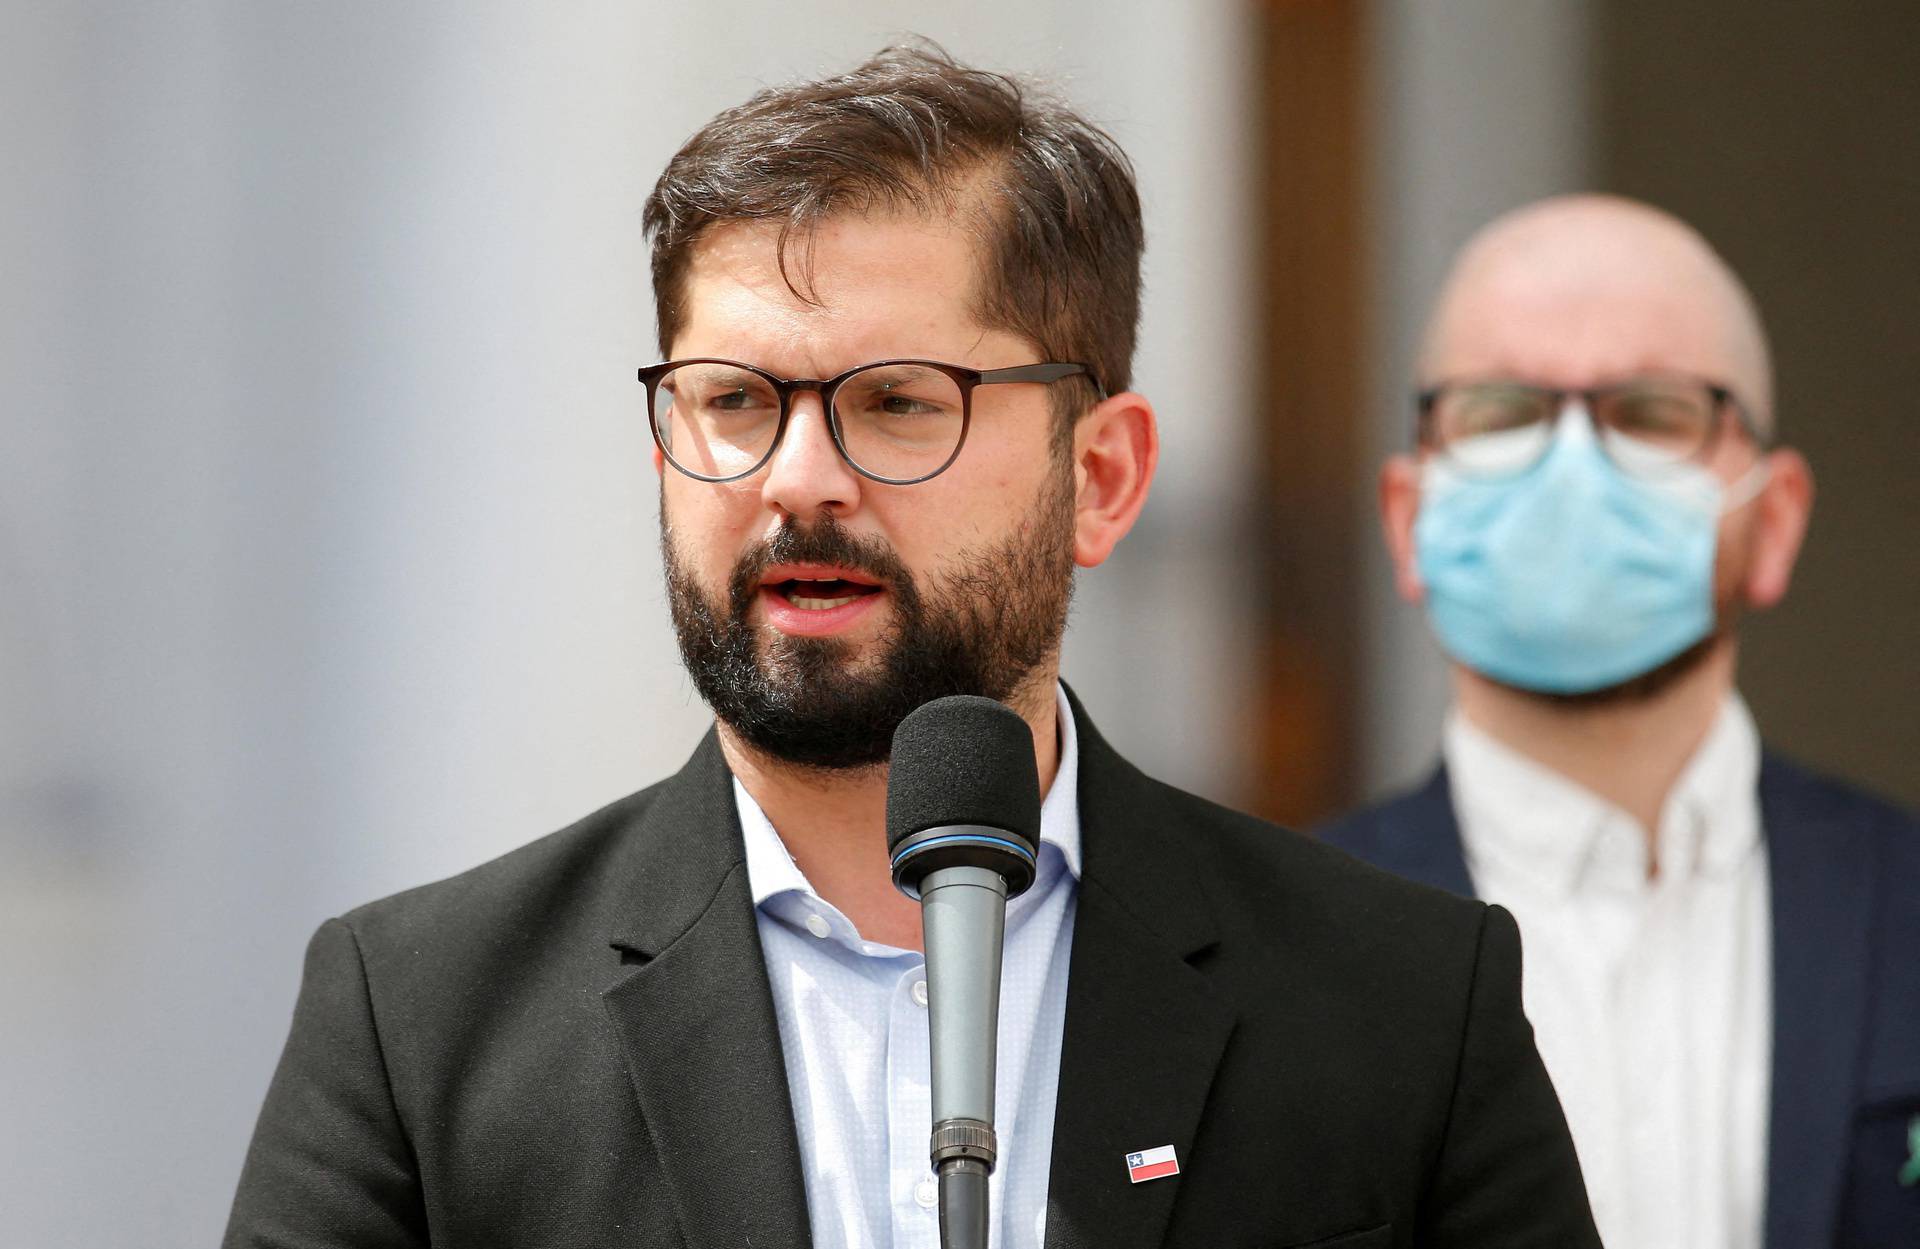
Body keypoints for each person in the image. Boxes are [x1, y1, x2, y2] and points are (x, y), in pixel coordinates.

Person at [225, 47, 1599, 1249]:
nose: (800, 477)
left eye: (896, 402)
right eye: (734, 401)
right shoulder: (422, 1025)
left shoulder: (1401, 1004)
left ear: (1102, 478)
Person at [1320, 194, 1920, 1249]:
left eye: (1650, 411)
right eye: (1502, 413)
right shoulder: (1280, 954)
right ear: (1409, 523)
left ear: (1773, 523)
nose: (1572, 468)